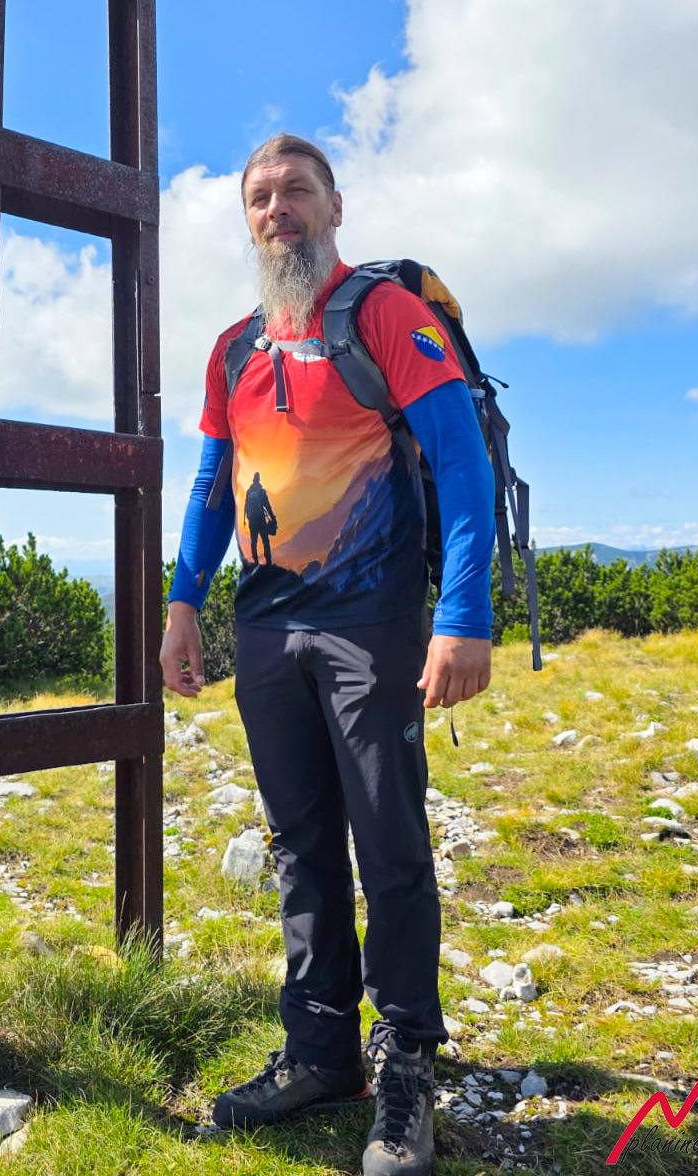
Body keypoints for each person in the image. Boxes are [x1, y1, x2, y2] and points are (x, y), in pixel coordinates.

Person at [159, 132, 495, 1176]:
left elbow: (462, 465)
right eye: (260, 198)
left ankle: (406, 1064)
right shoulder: (233, 350)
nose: (278, 211)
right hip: (266, 630)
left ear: (334, 205)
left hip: (371, 624)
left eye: (296, 191)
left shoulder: (384, 315)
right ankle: (319, 1054)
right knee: (299, 845)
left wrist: (463, 613)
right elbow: (213, 485)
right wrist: (183, 602)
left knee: (389, 841)